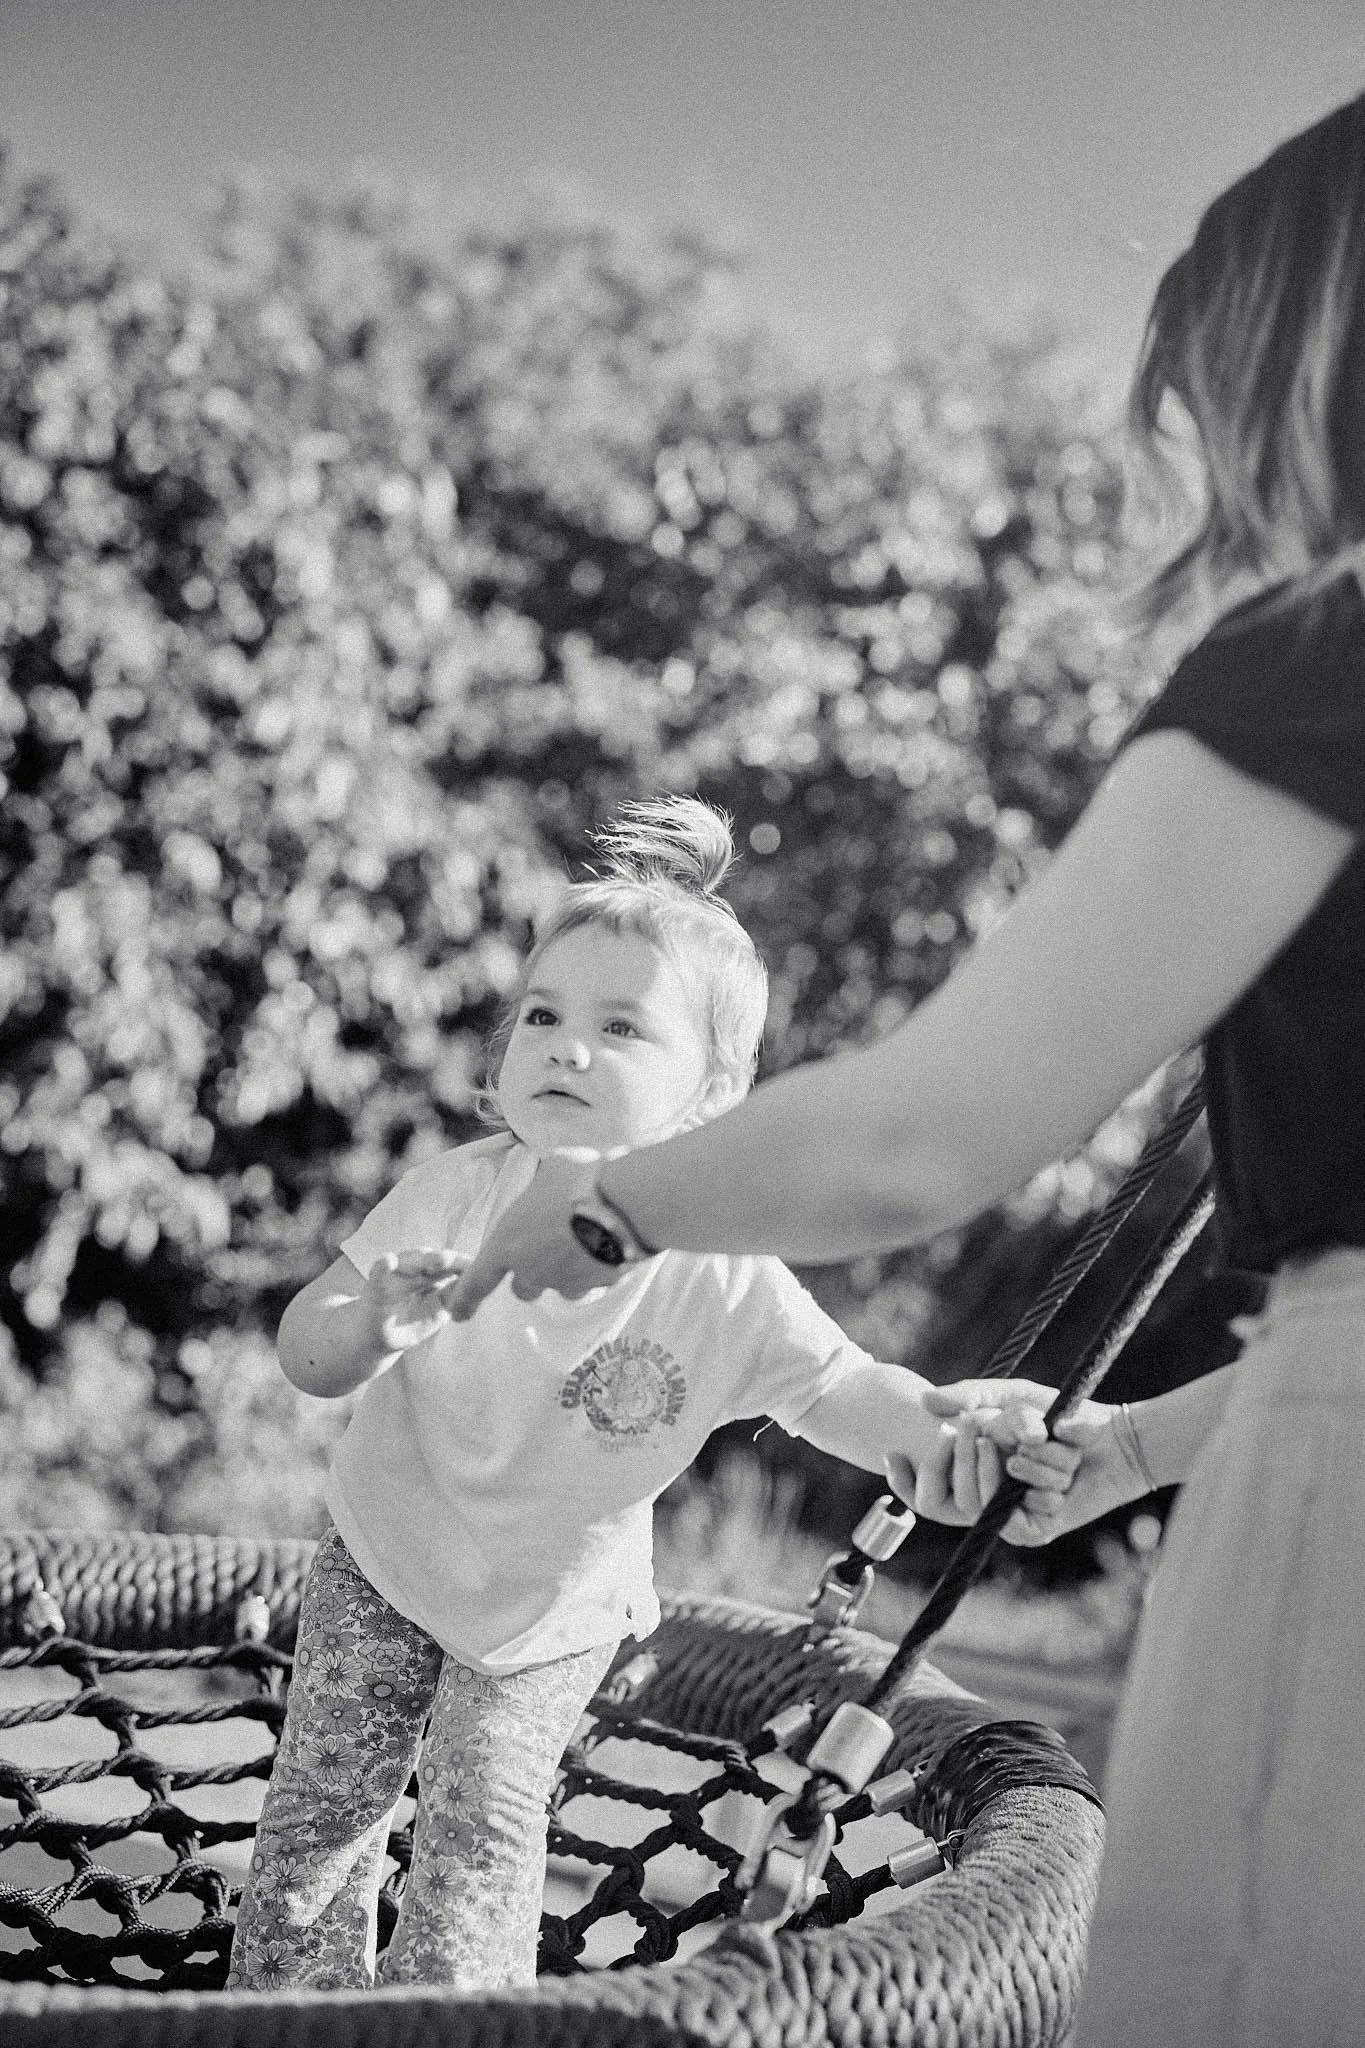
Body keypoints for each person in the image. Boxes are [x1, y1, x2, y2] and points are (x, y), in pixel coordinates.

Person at [448, 94, 1365, 2047]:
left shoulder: (1322, 656)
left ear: (1294, 369)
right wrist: (1141, 1444)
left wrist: (606, 1207)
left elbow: (923, 1132)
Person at [226, 795, 1066, 1996]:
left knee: (480, 1832)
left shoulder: (721, 1271)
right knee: (326, 1802)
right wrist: (369, 1325)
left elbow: (837, 1385)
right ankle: (281, 2011)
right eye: (542, 1015)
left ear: (713, 1095)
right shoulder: (456, 1197)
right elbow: (307, 1354)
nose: (565, 1047)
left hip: (551, 1614)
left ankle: (444, 2022)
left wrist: (941, 1420)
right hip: (387, 1551)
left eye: (620, 1026)